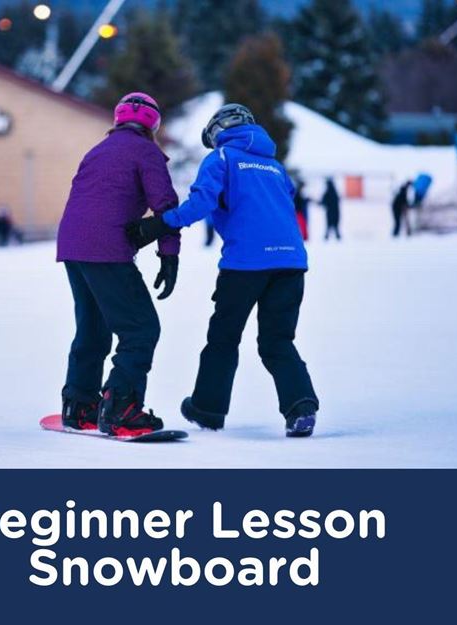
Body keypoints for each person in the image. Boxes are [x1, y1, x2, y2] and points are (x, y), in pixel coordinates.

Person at [126, 104, 319, 438]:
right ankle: (301, 407)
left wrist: (161, 224)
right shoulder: (275, 167)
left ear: (218, 130)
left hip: (245, 265)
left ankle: (207, 408)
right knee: (278, 340)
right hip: (291, 262)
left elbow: (201, 204)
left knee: (223, 338)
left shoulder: (223, 159)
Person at [56, 92, 180, 438]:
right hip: (106, 248)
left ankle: (79, 405)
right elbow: (166, 207)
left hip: (72, 245)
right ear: (153, 124)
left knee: (93, 326)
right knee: (140, 329)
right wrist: (169, 254)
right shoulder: (147, 151)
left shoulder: (96, 151)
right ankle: (121, 407)